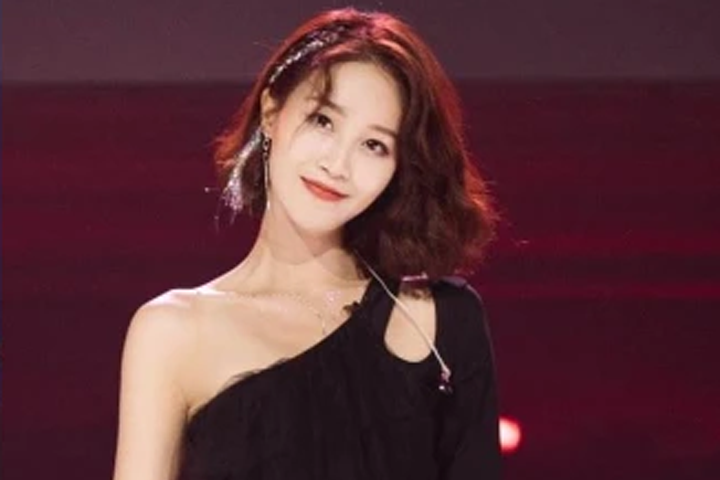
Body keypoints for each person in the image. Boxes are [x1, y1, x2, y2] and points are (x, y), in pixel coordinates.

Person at [113, 7, 501, 480]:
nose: (337, 165)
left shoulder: (438, 321)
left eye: (374, 145)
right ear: (272, 111)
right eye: (323, 121)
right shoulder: (173, 332)